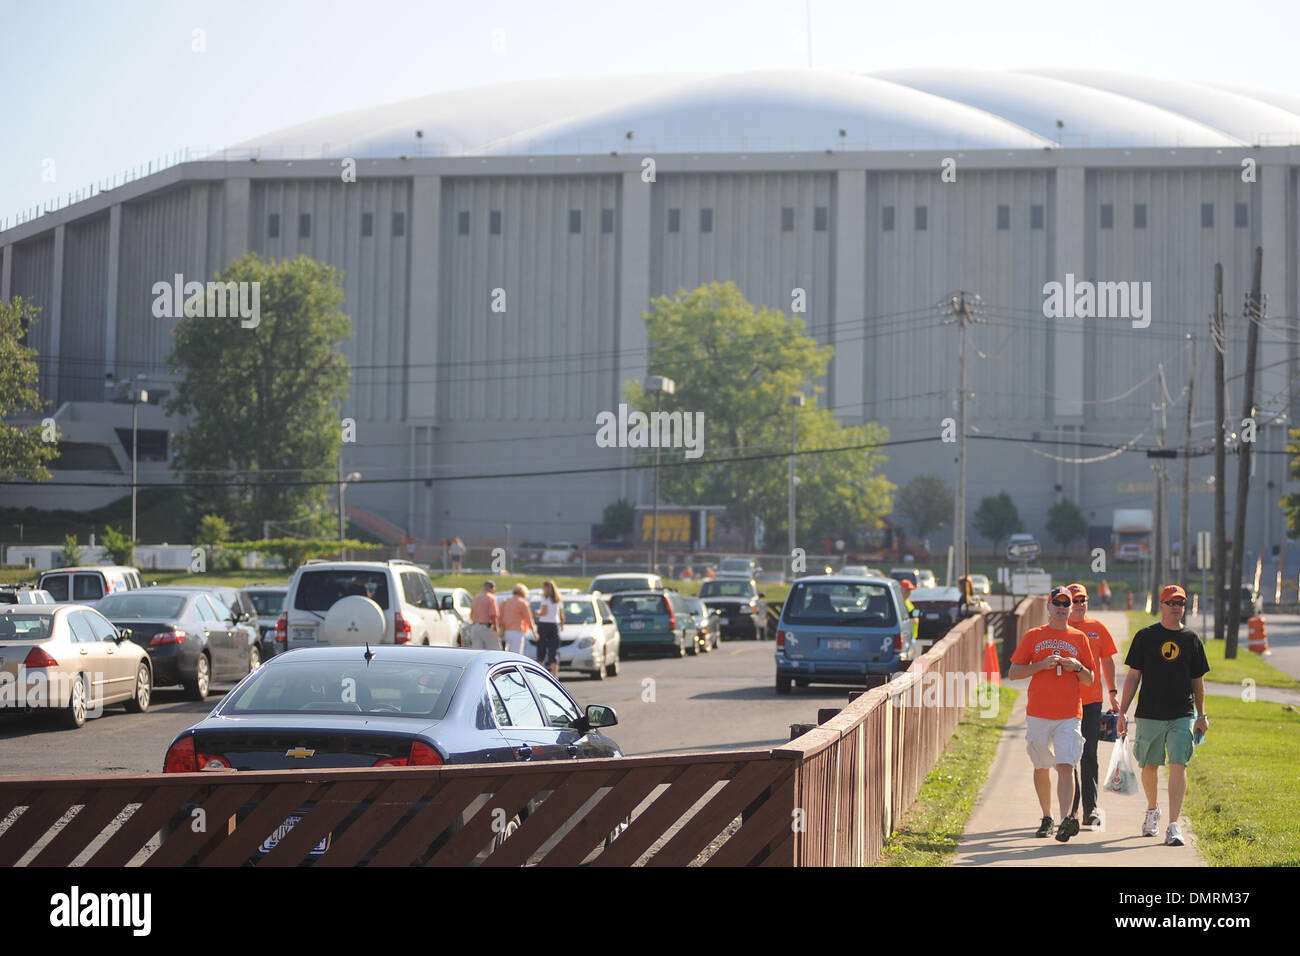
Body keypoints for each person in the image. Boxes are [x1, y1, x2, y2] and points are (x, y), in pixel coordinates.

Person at [1116, 585, 1209, 847]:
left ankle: (1173, 824)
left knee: (1179, 763)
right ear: (1162, 605)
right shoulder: (1145, 637)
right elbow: (1134, 676)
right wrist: (1122, 712)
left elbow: (1198, 681)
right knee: (1150, 765)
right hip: (1149, 713)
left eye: (1181, 603)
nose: (1177, 607)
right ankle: (1152, 810)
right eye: (1172, 602)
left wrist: (1201, 715)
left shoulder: (1191, 639)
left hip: (1181, 713)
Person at [1008, 585, 1097, 841]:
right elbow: (1014, 672)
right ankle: (1047, 816)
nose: (1061, 608)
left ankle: (1065, 820)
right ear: (1048, 607)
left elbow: (1090, 679)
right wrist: (1039, 665)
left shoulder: (1079, 638)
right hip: (1039, 712)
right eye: (1056, 603)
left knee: (1066, 764)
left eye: (1065, 604)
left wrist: (1077, 666)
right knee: (1041, 766)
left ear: (1070, 609)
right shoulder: (1034, 636)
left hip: (1070, 713)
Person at [1067, 583, 1119, 828]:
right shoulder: (1061, 629)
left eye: (1083, 600)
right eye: (1075, 600)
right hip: (1065, 702)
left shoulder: (1097, 628)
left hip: (1092, 702)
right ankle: (1071, 810)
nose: (1079, 605)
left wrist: (1113, 692)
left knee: (1089, 755)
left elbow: (1107, 661)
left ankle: (1090, 809)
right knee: (1070, 756)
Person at [535, 579, 565, 677]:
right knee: (553, 651)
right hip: (554, 625)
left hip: (544, 624)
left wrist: (537, 613)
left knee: (541, 650)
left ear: (547, 588)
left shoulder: (545, 598)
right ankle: (555, 675)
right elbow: (561, 615)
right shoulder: (558, 599)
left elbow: (544, 612)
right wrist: (562, 625)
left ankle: (541, 674)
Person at [500, 583, 537, 656]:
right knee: (517, 653)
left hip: (507, 631)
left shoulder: (505, 602)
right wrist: (534, 632)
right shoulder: (522, 603)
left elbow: (500, 617)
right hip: (518, 631)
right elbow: (528, 618)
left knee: (509, 652)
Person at [467, 580, 501, 649]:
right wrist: (496, 627)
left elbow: (472, 612)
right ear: (491, 588)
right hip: (487, 626)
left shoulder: (476, 597)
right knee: (495, 649)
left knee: (477, 649)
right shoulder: (491, 598)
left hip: (475, 626)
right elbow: (493, 614)